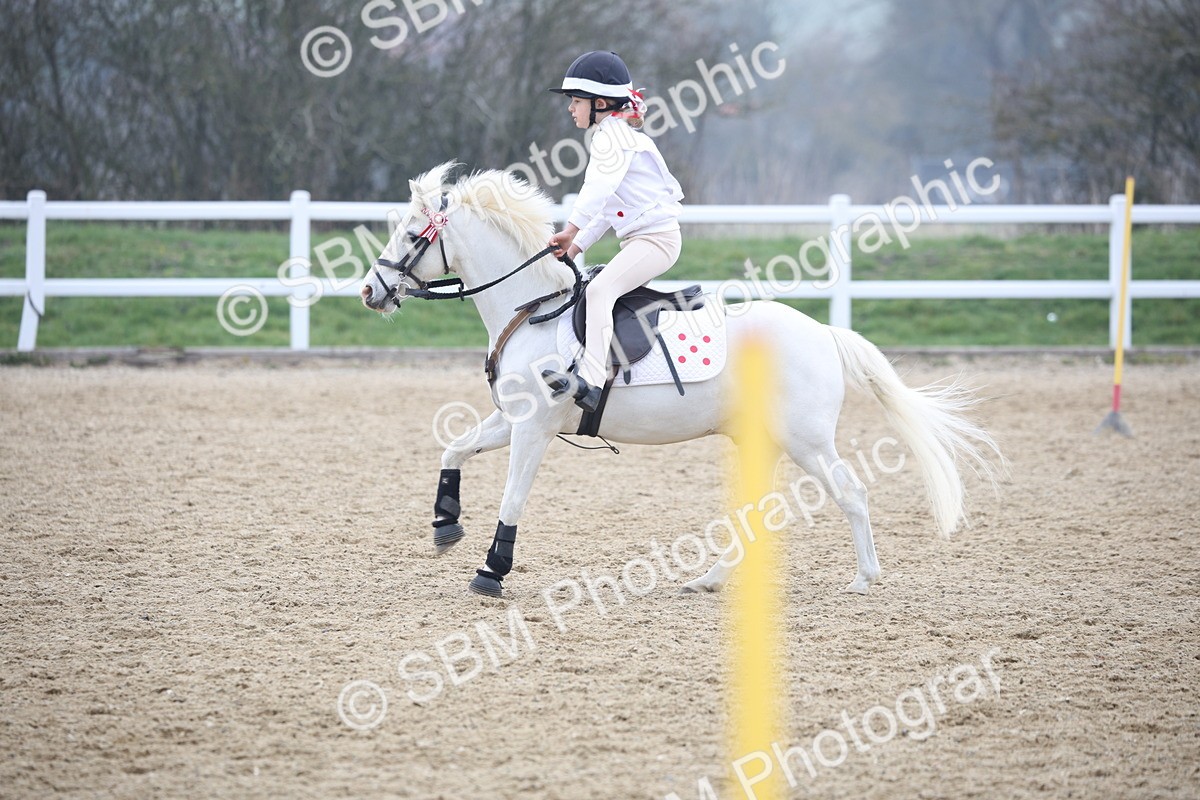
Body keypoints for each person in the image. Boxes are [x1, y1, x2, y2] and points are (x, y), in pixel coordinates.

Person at [542, 50, 685, 412]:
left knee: (601, 290)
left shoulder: (611, 138)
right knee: (596, 288)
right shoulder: (614, 135)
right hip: (645, 240)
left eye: (576, 101)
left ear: (600, 103)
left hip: (657, 241)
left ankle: (590, 383)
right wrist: (576, 245)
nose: (571, 109)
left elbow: (597, 191)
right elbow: (607, 210)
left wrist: (571, 229)